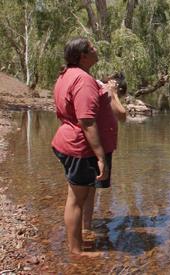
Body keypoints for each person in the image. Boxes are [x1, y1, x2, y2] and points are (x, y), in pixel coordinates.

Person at [52, 37, 126, 256]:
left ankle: (81, 237)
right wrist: (101, 156)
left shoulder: (69, 75)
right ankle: (76, 250)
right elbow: (87, 120)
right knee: (75, 199)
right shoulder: (82, 80)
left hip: (72, 143)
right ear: (83, 55)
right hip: (79, 147)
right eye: (92, 48)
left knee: (80, 194)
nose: (96, 50)